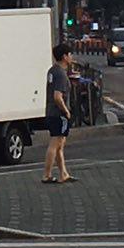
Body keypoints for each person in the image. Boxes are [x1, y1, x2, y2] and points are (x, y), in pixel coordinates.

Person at [42, 43, 76, 184]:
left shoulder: (52, 71)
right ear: (64, 56)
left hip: (50, 111)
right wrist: (66, 111)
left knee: (60, 144)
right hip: (58, 113)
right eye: (70, 55)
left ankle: (63, 173)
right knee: (55, 143)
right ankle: (47, 174)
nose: (71, 57)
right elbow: (57, 96)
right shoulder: (61, 74)